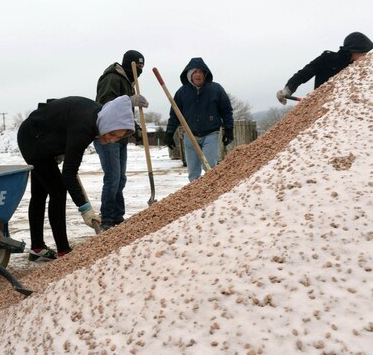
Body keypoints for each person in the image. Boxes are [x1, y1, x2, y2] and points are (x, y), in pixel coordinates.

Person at [17, 94, 148, 261]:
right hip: (33, 138)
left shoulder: (102, 115)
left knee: (41, 191)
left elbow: (117, 105)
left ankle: (37, 248)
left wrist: (130, 100)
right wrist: (85, 209)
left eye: (118, 137)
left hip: (43, 134)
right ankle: (63, 251)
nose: (112, 140)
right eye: (113, 134)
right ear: (108, 124)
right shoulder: (85, 127)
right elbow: (69, 174)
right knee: (57, 190)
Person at [93, 50, 144, 231]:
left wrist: (135, 129)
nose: (140, 71)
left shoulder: (126, 81)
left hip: (120, 137)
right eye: (137, 67)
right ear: (128, 64)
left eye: (142, 68)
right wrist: (130, 101)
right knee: (113, 178)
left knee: (120, 178)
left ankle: (117, 216)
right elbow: (107, 105)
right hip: (107, 136)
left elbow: (122, 115)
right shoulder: (112, 78)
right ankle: (107, 218)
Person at [165, 57, 234, 182]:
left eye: (201, 72)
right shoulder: (182, 93)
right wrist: (169, 133)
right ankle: (195, 198)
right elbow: (174, 115)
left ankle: (211, 194)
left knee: (210, 169)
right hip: (190, 135)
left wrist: (228, 129)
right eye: (195, 72)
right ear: (189, 74)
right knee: (193, 172)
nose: (198, 74)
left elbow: (226, 110)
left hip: (210, 134)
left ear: (205, 74)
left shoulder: (216, 89)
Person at [277, 32, 373, 104]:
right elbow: (303, 74)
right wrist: (288, 89)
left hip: (348, 108)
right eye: (364, 53)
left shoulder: (360, 68)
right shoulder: (327, 59)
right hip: (322, 107)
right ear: (354, 50)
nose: (366, 56)